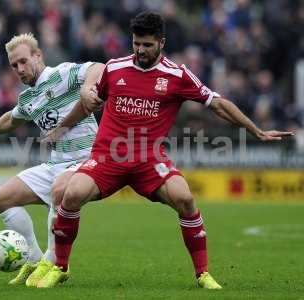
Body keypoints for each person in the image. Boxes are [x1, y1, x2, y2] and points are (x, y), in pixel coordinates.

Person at [36, 12, 294, 288]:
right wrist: (61, 128)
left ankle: (203, 274)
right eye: (136, 44)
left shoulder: (178, 75)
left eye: (147, 45)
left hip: (149, 160)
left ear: (162, 42)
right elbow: (87, 104)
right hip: (108, 157)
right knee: (71, 194)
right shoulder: (114, 68)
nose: (140, 50)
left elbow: (217, 104)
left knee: (185, 199)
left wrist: (256, 130)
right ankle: (60, 267)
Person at [0, 33, 104, 287]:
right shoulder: (28, 98)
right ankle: (34, 259)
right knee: (3, 198)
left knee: (59, 190)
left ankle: (53, 263)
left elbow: (98, 67)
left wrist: (86, 88)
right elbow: (12, 118)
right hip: (56, 163)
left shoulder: (61, 74)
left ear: (38, 56)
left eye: (23, 61)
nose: (19, 69)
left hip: (86, 160)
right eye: (14, 65)